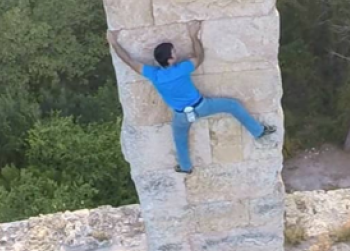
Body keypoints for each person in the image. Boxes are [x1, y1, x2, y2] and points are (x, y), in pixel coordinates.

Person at [107, 20, 275, 174]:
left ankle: (186, 166)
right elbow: (200, 57)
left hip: (181, 115)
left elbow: (128, 60)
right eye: (174, 52)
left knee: (180, 138)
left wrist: (114, 42)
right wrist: (194, 36)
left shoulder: (154, 75)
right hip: (202, 106)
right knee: (232, 106)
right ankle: (258, 131)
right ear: (171, 59)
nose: (177, 53)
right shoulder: (182, 68)